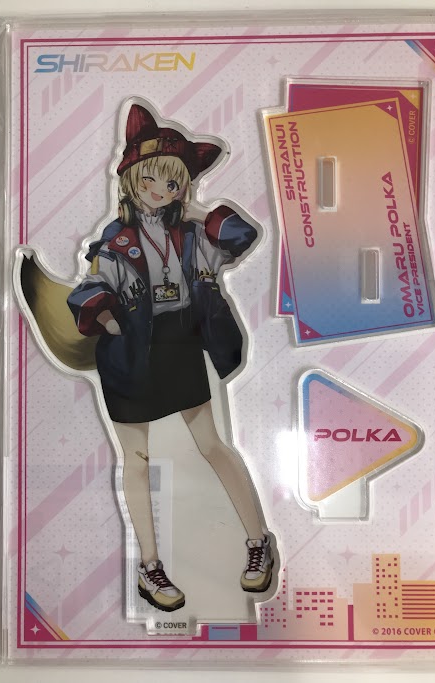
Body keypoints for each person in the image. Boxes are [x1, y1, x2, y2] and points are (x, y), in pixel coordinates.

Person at [60, 102, 274, 612]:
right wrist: (111, 320)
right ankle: (150, 567)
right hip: (129, 353)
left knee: (212, 444)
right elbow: (89, 289)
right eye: (150, 178)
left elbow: (242, 237)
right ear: (131, 178)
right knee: (134, 458)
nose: (160, 189)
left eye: (173, 182)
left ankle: (258, 542)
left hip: (181, 344)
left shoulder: (192, 234)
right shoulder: (115, 241)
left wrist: (197, 209)